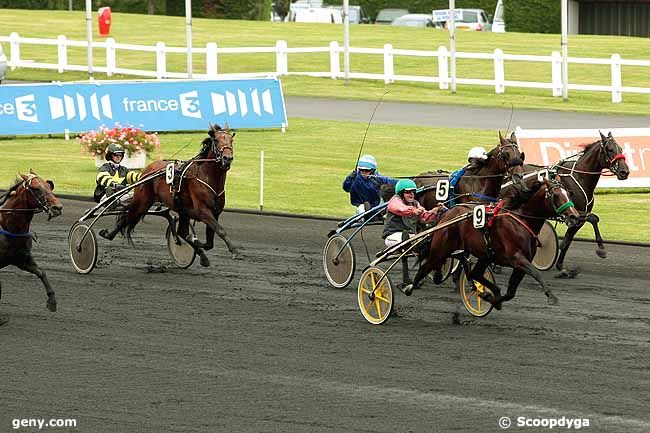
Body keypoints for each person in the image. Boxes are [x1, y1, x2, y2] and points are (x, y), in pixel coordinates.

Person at [383, 178, 445, 291]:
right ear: (401, 193)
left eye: (413, 192)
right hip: (392, 236)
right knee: (409, 238)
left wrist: (435, 212)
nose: (411, 194)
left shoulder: (415, 203)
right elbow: (399, 208)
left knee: (427, 239)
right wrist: (413, 211)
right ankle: (406, 280)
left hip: (408, 237)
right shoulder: (395, 200)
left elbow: (425, 217)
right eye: (408, 192)